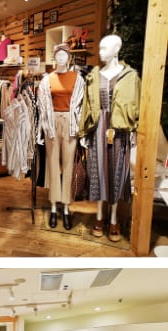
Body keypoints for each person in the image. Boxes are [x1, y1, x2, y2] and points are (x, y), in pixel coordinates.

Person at [79, 34, 141, 242]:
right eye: (100, 48)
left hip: (120, 130)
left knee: (116, 174)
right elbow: (86, 106)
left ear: (116, 50)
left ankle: (113, 218)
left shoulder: (130, 76)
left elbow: (137, 105)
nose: (100, 52)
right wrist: (83, 132)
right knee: (97, 172)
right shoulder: (93, 76)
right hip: (98, 129)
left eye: (105, 48)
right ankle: (98, 215)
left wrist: (136, 130)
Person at [38, 43, 85, 230]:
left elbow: (81, 104)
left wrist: (78, 122)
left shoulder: (78, 78)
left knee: (67, 165)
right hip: (51, 123)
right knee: (52, 165)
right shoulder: (46, 80)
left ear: (69, 57)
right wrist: (45, 125)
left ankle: (65, 208)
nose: (61, 58)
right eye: (58, 55)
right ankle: (53, 207)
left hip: (70, 124)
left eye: (64, 55)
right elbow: (42, 105)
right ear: (54, 57)